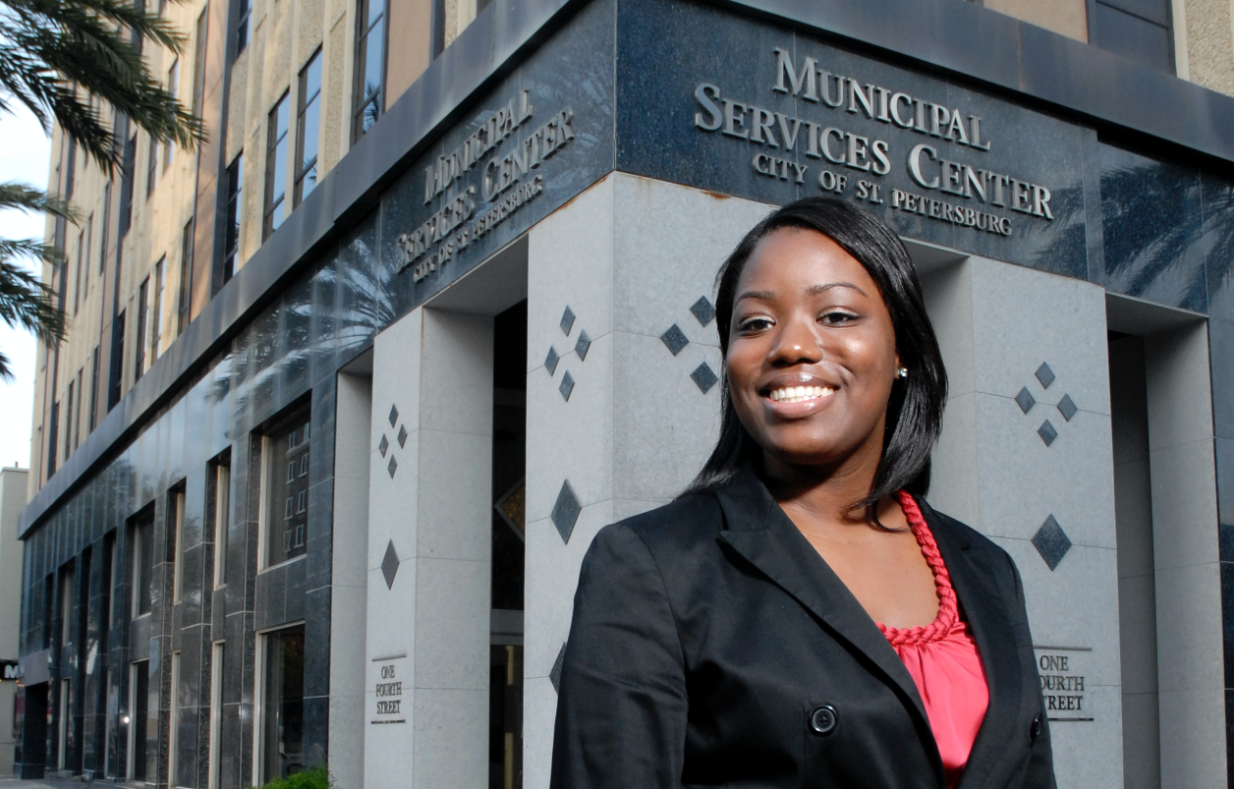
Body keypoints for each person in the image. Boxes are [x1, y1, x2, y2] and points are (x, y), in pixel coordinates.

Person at [550, 197, 1055, 789]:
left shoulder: (989, 569)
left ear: (902, 351)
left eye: (836, 315)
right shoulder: (650, 567)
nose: (789, 346)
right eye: (755, 323)